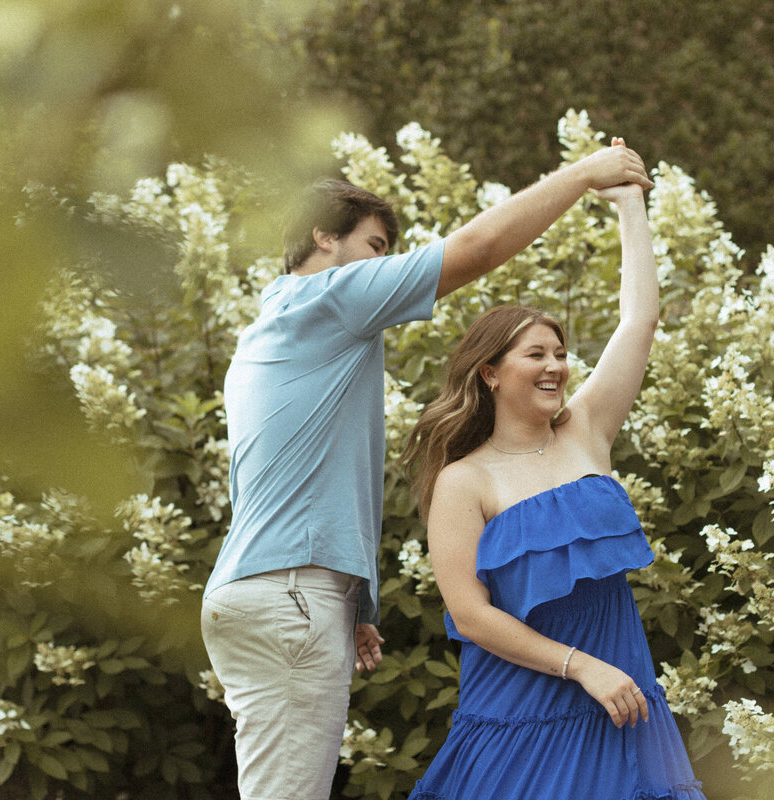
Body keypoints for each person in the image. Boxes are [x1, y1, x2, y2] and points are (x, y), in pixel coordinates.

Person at [201, 140, 653, 800]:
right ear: (323, 237)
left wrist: (352, 600)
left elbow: (281, 484)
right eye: (378, 245)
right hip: (290, 595)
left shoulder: (270, 335)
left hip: (270, 589)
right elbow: (473, 252)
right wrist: (585, 174)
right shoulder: (328, 297)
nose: (385, 266)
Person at [401, 155, 706, 799]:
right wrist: (580, 667)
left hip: (620, 705)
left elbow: (639, 321)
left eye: (561, 355)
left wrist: (630, 208)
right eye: (535, 354)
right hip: (523, 719)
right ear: (490, 372)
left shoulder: (586, 431)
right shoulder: (463, 481)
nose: (555, 368)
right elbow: (472, 616)